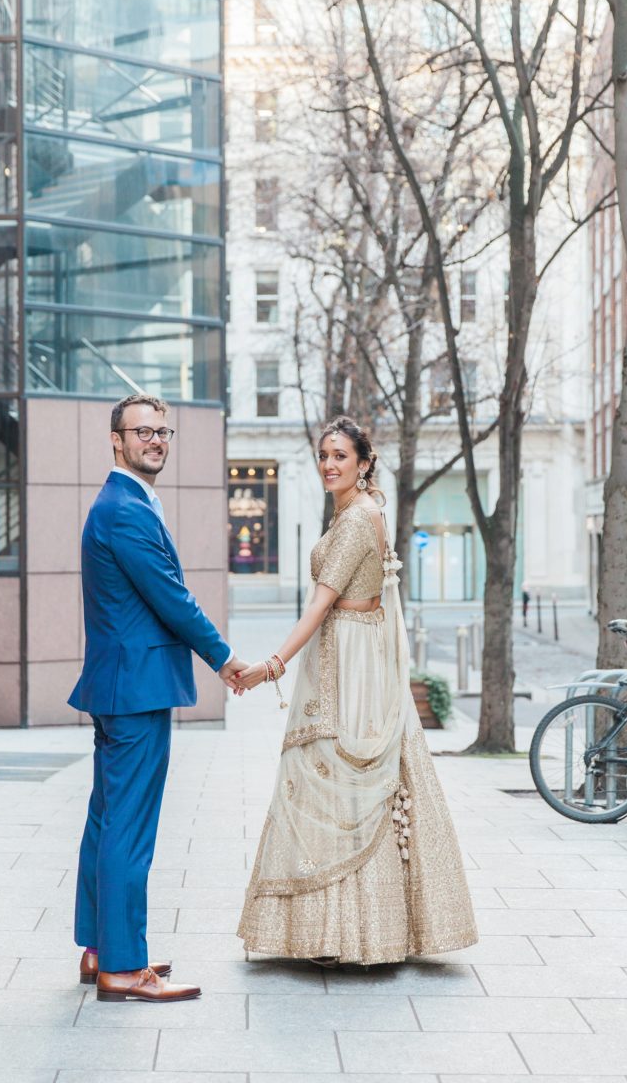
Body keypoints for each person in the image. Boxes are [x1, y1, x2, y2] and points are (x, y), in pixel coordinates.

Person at [235, 416, 478, 965]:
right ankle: (347, 928)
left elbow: (321, 604)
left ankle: (343, 933)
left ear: (364, 462)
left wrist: (271, 665)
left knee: (336, 775)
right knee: (339, 777)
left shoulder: (356, 519)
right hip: (351, 651)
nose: (329, 464)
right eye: (324, 455)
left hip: (350, 661)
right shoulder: (359, 511)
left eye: (341, 456)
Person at [69, 394, 247, 1002]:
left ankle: (100, 950)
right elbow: (170, 595)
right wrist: (224, 658)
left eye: (162, 430)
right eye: (142, 430)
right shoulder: (124, 508)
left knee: (107, 821)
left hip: (124, 685)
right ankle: (123, 966)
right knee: (129, 829)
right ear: (115, 440)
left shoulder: (127, 502)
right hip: (135, 689)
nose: (156, 439)